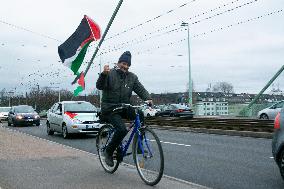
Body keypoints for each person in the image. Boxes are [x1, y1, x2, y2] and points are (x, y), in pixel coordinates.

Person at [96, 51, 152, 166]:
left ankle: (138, 146)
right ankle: (109, 151)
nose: (125, 66)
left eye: (127, 65)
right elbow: (99, 86)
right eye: (123, 63)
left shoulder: (132, 77)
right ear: (118, 63)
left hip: (125, 107)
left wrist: (148, 98)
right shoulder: (109, 73)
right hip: (110, 109)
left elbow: (140, 89)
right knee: (121, 129)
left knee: (140, 114)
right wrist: (103, 75)